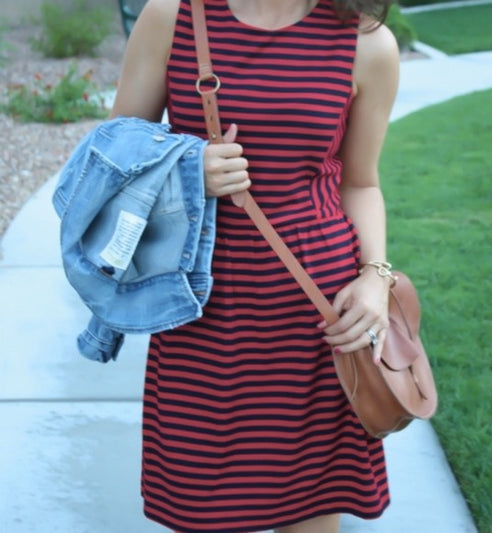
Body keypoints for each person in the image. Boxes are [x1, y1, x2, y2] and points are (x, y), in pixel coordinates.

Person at [111, 0, 399, 531]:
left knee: (310, 502)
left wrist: (375, 277)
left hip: (316, 315)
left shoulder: (364, 42)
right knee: (201, 500)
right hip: (201, 307)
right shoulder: (173, 16)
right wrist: (187, 168)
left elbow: (361, 181)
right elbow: (113, 154)